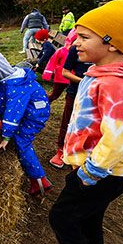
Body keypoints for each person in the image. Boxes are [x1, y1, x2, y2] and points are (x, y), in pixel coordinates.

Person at [39, 0, 123, 244]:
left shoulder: (117, 86)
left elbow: (117, 139)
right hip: (100, 169)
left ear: (112, 43)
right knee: (89, 219)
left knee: (62, 218)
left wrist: (88, 173)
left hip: (104, 172)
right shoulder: (99, 74)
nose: (75, 43)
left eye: (84, 37)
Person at [0, 51, 52, 195]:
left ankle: (39, 180)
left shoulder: (17, 88)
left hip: (34, 115)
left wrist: (7, 138)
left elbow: (13, 112)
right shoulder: (7, 77)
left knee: (22, 142)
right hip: (25, 109)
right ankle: (6, 124)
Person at [47, 34, 93, 168]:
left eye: (84, 37)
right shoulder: (75, 49)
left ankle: (84, 153)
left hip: (99, 96)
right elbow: (65, 72)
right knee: (68, 121)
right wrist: (87, 82)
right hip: (75, 93)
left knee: (90, 125)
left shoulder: (109, 51)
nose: (78, 42)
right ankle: (61, 150)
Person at [42, 29, 77, 103]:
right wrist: (47, 74)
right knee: (55, 95)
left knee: (71, 97)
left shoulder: (81, 53)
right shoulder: (61, 51)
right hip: (61, 78)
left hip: (74, 78)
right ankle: (44, 104)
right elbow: (52, 62)